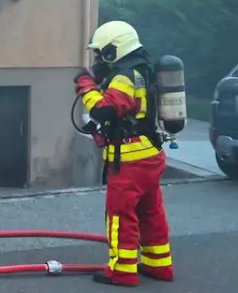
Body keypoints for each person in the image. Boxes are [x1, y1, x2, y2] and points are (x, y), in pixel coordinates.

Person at [74, 20, 174, 287]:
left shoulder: (123, 77)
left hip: (130, 160)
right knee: (150, 211)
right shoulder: (142, 70)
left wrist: (86, 86)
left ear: (113, 51)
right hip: (149, 155)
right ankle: (159, 264)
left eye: (100, 53)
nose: (98, 59)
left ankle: (122, 270)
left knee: (120, 215)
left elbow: (104, 110)